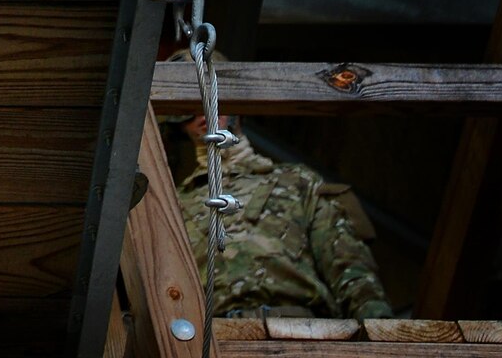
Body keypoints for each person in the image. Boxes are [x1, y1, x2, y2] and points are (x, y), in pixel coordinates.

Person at [167, 50, 393, 320]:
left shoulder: (298, 182)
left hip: (302, 331)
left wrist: (380, 335)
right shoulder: (174, 207)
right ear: (176, 125)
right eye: (185, 108)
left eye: (211, 97)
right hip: (214, 339)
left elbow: (351, 270)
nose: (201, 111)